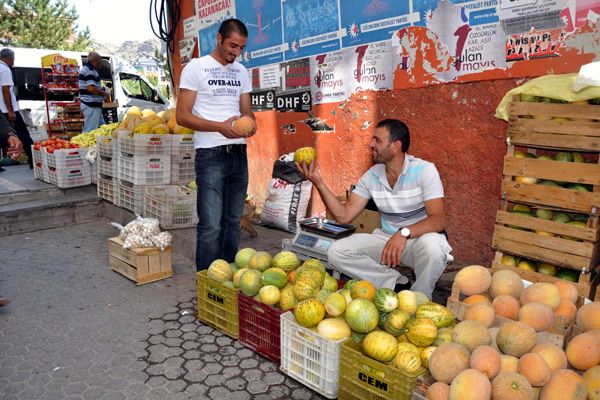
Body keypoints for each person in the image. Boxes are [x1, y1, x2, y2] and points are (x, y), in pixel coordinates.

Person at [297, 119, 453, 299]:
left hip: (418, 241)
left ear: (395, 146)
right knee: (336, 251)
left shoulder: (425, 171)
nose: (371, 144)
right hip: (386, 241)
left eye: (377, 140)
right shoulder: (372, 175)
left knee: (433, 247)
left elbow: (438, 220)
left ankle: (419, 299)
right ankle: (397, 284)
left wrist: (403, 233)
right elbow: (344, 216)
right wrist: (319, 182)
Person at [176, 19, 256, 271]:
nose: (236, 52)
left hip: (238, 153)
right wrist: (220, 127)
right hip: (210, 153)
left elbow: (247, 112)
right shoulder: (197, 67)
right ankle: (207, 284)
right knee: (211, 225)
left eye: (241, 47)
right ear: (219, 38)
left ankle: (226, 279)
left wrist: (250, 125)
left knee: (233, 221)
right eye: (233, 45)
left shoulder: (241, 71)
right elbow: (182, 116)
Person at [0, 48, 33, 168]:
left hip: (2, 110)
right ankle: (33, 161)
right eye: (13, 59)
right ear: (9, 59)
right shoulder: (4, 69)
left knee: (8, 136)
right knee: (24, 135)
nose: (13, 62)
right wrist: (11, 111)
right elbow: (5, 91)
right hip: (6, 110)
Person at [78, 51, 110, 132]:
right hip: (90, 105)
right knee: (90, 131)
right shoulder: (90, 70)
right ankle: (85, 145)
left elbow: (91, 87)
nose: (100, 64)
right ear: (95, 61)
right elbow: (91, 89)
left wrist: (102, 89)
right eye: (99, 61)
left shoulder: (87, 69)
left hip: (93, 105)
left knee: (103, 129)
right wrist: (105, 93)